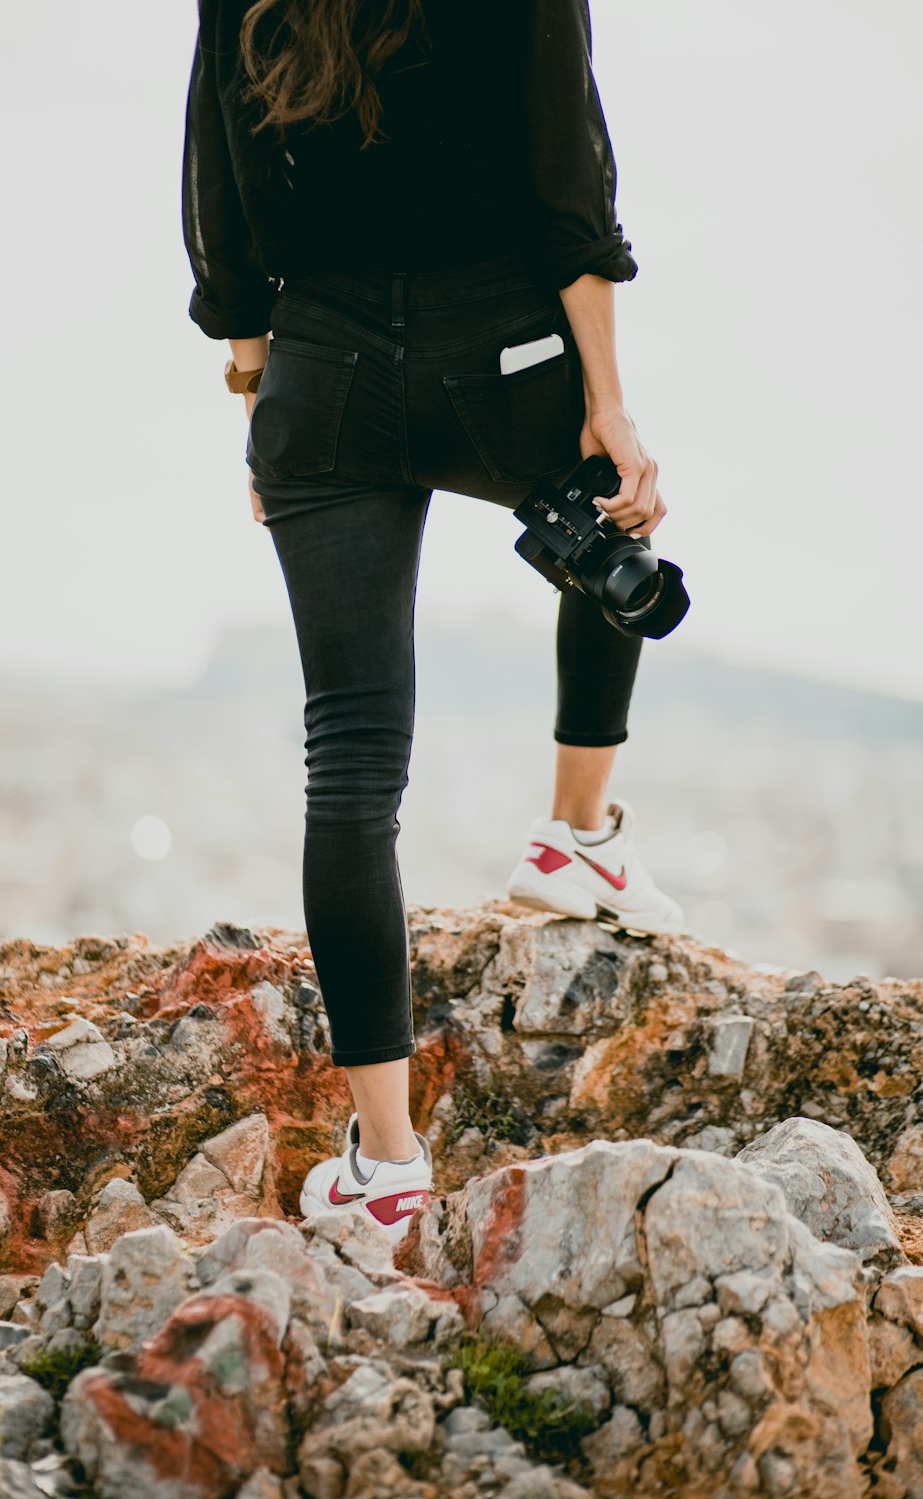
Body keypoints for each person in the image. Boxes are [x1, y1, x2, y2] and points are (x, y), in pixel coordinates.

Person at [182, 0, 686, 1242]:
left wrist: (259, 387)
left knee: (349, 765)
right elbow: (571, 181)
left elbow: (221, 188)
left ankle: (391, 1163)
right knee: (611, 528)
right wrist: (607, 403)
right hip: (502, 345)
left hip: (325, 369)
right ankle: (574, 839)